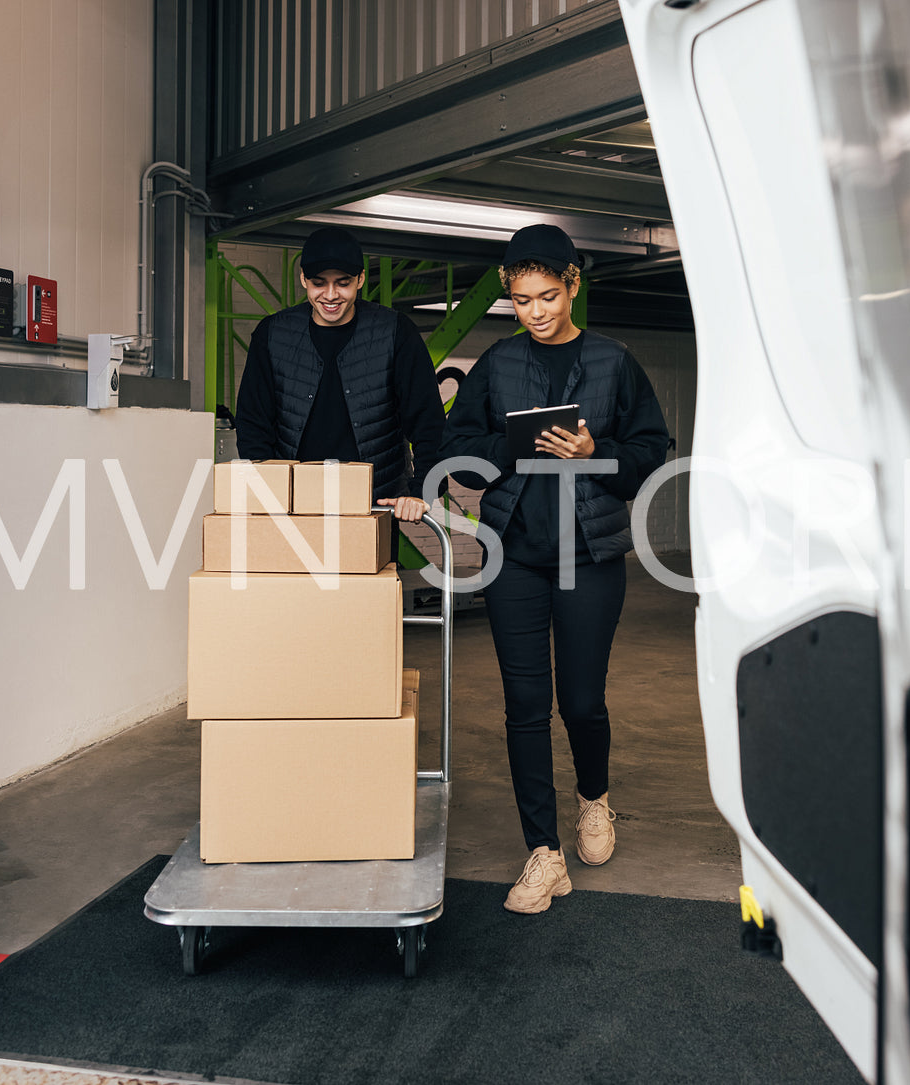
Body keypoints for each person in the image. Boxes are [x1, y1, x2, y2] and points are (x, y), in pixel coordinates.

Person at [441, 223, 670, 914]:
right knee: (523, 705)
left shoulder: (612, 362)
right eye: (520, 300)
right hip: (513, 554)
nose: (535, 311)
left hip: (590, 555)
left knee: (580, 701)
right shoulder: (496, 364)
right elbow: (458, 446)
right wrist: (512, 449)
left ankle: (593, 798)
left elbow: (650, 449)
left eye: (546, 295)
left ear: (572, 284)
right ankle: (542, 852)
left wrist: (595, 452)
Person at [234, 226, 444, 524]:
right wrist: (269, 492)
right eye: (319, 283)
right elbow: (253, 424)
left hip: (373, 507)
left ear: (360, 279)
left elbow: (428, 422)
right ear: (303, 278)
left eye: (343, 283)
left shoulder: (395, 331)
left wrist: (422, 490)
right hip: (293, 506)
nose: (330, 295)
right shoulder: (273, 334)